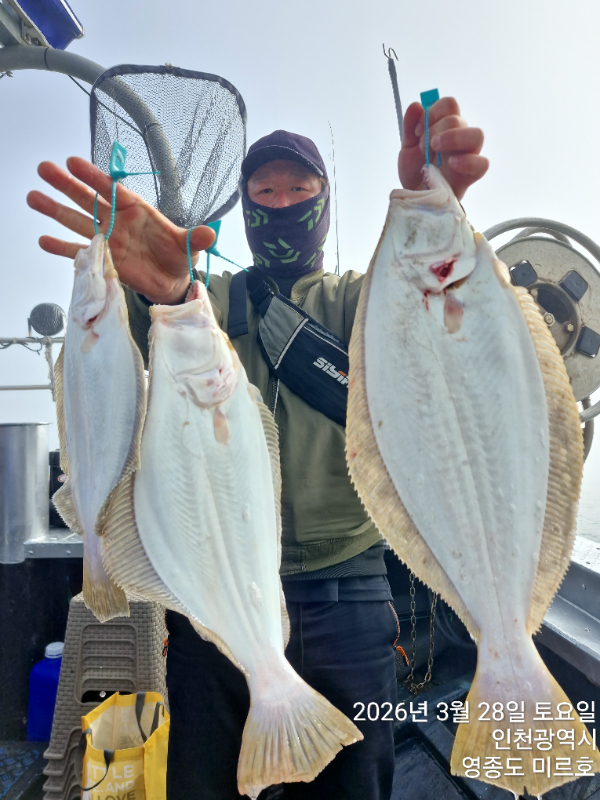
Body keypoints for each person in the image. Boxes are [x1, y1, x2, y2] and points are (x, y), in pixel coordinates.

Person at [28, 96, 488, 800]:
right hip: (211, 595)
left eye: (300, 189)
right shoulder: (204, 303)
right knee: (205, 782)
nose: (282, 203)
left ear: (325, 203)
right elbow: (128, 355)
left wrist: (434, 216)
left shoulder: (357, 300)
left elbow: (427, 306)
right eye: (264, 192)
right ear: (244, 208)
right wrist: (159, 290)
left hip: (347, 593)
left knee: (356, 784)